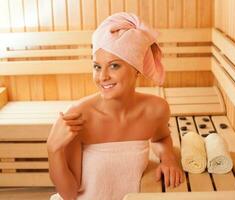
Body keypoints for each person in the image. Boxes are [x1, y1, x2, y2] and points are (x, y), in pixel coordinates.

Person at [47, 12, 183, 200]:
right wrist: (53, 149)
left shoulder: (156, 110)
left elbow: (160, 139)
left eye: (114, 66)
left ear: (137, 69)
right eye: (97, 66)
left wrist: (168, 159)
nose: (102, 77)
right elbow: (69, 194)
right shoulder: (79, 116)